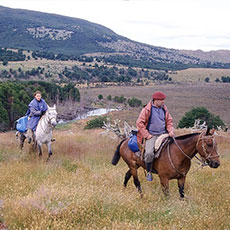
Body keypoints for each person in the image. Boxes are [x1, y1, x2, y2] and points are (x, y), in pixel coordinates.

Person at [136, 91, 174, 181]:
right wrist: (147, 135)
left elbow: (169, 121)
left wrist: (171, 131)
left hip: (164, 134)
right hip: (152, 135)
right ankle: (149, 171)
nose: (163, 102)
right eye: (161, 100)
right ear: (155, 100)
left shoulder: (164, 109)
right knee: (149, 153)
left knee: (175, 147)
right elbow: (139, 123)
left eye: (163, 100)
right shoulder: (147, 110)